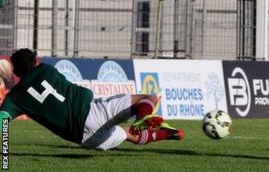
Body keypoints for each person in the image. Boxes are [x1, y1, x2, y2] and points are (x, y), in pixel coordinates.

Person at [0, 48, 184, 151]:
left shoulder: (14, 99)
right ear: (35, 62)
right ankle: (141, 119)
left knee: (128, 134)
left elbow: (2, 123)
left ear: (16, 72)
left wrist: (5, 153)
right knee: (147, 97)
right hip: (92, 112)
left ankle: (171, 134)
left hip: (85, 138)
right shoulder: (46, 69)